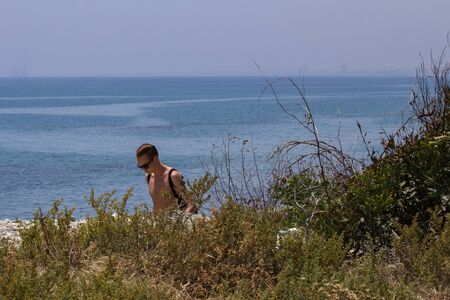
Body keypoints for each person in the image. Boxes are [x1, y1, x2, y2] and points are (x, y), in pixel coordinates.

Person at [136, 143, 194, 213]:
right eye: (140, 166)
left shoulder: (173, 176)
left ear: (155, 159)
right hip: (159, 222)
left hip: (176, 220)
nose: (144, 169)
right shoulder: (148, 177)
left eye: (145, 166)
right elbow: (156, 206)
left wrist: (181, 220)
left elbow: (191, 204)